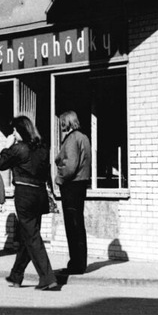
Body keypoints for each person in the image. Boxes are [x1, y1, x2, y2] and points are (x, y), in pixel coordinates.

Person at [0, 115, 60, 291]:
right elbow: (46, 173)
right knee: (28, 234)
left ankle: (47, 277)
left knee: (32, 236)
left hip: (24, 194)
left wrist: (7, 146)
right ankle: (16, 275)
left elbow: (1, 165)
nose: (13, 134)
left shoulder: (19, 149)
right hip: (39, 193)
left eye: (15, 131)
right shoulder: (42, 148)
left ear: (21, 131)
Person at [55, 110, 92, 276]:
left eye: (62, 122)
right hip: (81, 183)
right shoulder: (84, 137)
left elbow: (70, 166)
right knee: (78, 225)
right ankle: (80, 263)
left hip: (71, 185)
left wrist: (59, 178)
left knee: (72, 225)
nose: (61, 125)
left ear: (67, 122)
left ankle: (75, 264)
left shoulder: (71, 139)